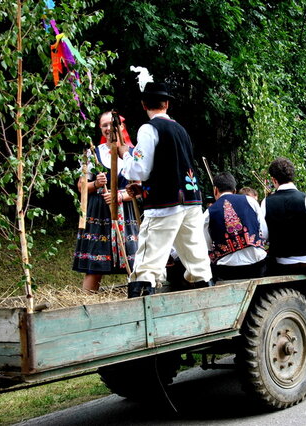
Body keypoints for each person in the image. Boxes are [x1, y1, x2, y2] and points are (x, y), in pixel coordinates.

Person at [118, 82, 213, 297]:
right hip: (191, 201)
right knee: (197, 258)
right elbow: (173, 168)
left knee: (147, 261)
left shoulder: (149, 129)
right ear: (167, 104)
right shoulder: (181, 129)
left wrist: (125, 154)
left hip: (165, 203)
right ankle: (207, 301)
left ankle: (141, 311)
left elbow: (139, 171)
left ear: (144, 105)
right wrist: (144, 188)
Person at [72, 112, 139, 293]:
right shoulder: (92, 154)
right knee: (94, 264)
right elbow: (81, 187)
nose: (109, 128)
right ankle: (86, 304)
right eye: (104, 125)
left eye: (112, 124)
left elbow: (139, 188)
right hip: (98, 214)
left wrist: (120, 195)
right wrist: (95, 183)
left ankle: (137, 300)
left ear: (121, 126)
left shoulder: (132, 154)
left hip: (124, 214)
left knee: (133, 264)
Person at [204, 172, 268, 280]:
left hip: (227, 269)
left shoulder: (208, 212)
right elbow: (264, 232)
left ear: (215, 190)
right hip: (257, 265)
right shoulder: (251, 201)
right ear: (234, 190)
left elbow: (206, 245)